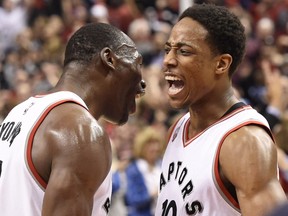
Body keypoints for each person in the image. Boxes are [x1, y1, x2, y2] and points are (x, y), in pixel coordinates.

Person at [0, 22, 145, 216]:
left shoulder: (19, 112)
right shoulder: (81, 131)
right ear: (109, 59)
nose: (142, 83)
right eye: (138, 63)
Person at [155, 3, 287, 216]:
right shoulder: (178, 128)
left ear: (221, 64)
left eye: (184, 51)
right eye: (167, 49)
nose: (168, 60)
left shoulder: (245, 141)